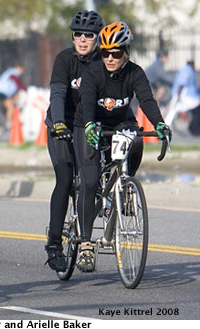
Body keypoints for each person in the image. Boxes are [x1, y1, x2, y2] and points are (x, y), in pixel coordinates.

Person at [73, 22, 171, 272]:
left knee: (137, 139)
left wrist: (160, 124)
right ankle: (85, 244)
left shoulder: (135, 73)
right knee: (91, 180)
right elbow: (86, 101)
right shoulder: (94, 73)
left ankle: (126, 185)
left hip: (120, 122)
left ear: (126, 51)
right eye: (105, 52)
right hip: (89, 123)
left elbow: (147, 100)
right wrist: (88, 125)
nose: (110, 58)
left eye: (116, 53)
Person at [43, 10, 104, 272]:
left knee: (95, 178)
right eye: (77, 34)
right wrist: (58, 122)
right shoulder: (64, 59)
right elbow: (57, 93)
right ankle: (54, 245)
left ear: (97, 38)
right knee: (65, 178)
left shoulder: (105, 60)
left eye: (88, 35)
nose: (81, 39)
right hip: (63, 124)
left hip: (89, 126)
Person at [168, 60, 200, 135]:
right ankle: (194, 130)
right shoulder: (187, 70)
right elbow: (181, 84)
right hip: (187, 97)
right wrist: (178, 96)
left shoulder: (184, 70)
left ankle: (194, 129)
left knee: (172, 112)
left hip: (186, 96)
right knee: (172, 112)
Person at [0, 63, 26, 128]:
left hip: (5, 93)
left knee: (14, 102)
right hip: (1, 92)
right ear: (18, 67)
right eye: (21, 70)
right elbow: (16, 81)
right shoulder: (13, 72)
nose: (22, 72)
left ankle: (13, 119)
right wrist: (24, 89)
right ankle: (8, 124)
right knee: (10, 107)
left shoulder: (15, 74)